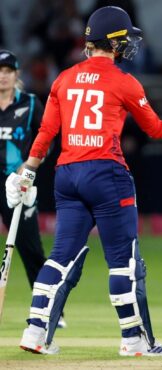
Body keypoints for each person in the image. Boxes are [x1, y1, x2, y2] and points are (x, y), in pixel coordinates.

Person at [5, 6, 162, 356]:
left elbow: (46, 133)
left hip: (67, 174)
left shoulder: (64, 78)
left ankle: (34, 332)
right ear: (114, 42)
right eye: (125, 38)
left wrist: (27, 171)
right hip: (106, 174)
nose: (129, 45)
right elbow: (154, 129)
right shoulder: (124, 80)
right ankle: (132, 339)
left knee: (59, 257)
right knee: (123, 261)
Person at [0, 50, 67, 329]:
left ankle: (48, 308)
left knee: (29, 247)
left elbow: (48, 136)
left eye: (7, 71)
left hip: (17, 183)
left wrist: (29, 167)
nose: (2, 76)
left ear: (16, 75)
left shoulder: (29, 104)